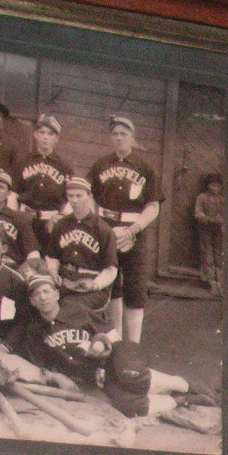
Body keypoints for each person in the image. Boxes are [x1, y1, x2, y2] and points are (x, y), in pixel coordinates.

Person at [18, 272, 188, 418]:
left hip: (113, 359)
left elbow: (112, 336)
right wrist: (57, 377)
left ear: (56, 294)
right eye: (37, 294)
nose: (43, 297)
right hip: (94, 376)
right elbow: (41, 365)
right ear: (32, 302)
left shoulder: (77, 310)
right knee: (130, 407)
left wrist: (101, 345)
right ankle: (178, 399)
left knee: (131, 378)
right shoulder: (34, 330)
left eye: (46, 291)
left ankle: (181, 385)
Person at [89, 115, 162, 344]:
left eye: (123, 134)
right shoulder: (101, 165)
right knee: (110, 283)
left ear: (132, 137)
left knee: (135, 286)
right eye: (115, 134)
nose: (119, 138)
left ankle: (133, 344)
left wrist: (133, 230)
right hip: (107, 229)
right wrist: (99, 225)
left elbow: (153, 205)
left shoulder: (144, 167)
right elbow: (90, 196)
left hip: (134, 231)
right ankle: (116, 339)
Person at [43, 175, 117, 318]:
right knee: (40, 299)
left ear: (89, 196)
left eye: (79, 196)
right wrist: (52, 271)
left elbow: (111, 269)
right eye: (70, 196)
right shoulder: (61, 224)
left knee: (69, 307)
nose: (74, 200)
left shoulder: (103, 229)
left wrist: (95, 284)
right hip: (64, 280)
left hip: (91, 285)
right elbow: (52, 256)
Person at [17, 114, 72, 238]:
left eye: (50, 134)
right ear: (36, 134)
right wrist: (15, 217)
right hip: (25, 219)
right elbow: (13, 192)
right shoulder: (23, 161)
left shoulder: (64, 166)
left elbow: (71, 197)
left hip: (50, 222)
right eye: (42, 132)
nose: (45, 137)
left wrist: (61, 217)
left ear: (56, 138)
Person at [192, 173, 224, 296]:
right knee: (207, 253)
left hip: (219, 230)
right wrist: (209, 219)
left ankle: (220, 281)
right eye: (213, 185)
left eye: (218, 185)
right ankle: (211, 281)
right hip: (205, 229)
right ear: (208, 185)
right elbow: (198, 213)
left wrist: (222, 221)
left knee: (219, 254)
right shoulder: (202, 198)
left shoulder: (222, 200)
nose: (215, 188)